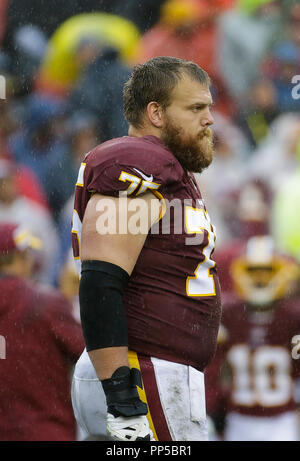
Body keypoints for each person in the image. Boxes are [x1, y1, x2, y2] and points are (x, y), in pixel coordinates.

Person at [71, 56, 222, 442]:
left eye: (209, 107)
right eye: (195, 108)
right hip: (144, 371)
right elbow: (100, 281)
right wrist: (120, 389)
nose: (209, 119)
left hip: (151, 368)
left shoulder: (168, 171)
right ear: (155, 112)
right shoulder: (139, 162)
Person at [205, 235, 300, 441]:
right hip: (236, 420)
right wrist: (213, 411)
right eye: (253, 272)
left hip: (282, 421)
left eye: (268, 272)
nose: (259, 280)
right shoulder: (228, 315)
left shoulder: (293, 318)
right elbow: (214, 373)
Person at [0, 222, 84, 441]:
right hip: (46, 431)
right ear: (20, 257)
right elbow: (89, 355)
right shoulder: (45, 304)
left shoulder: (43, 303)